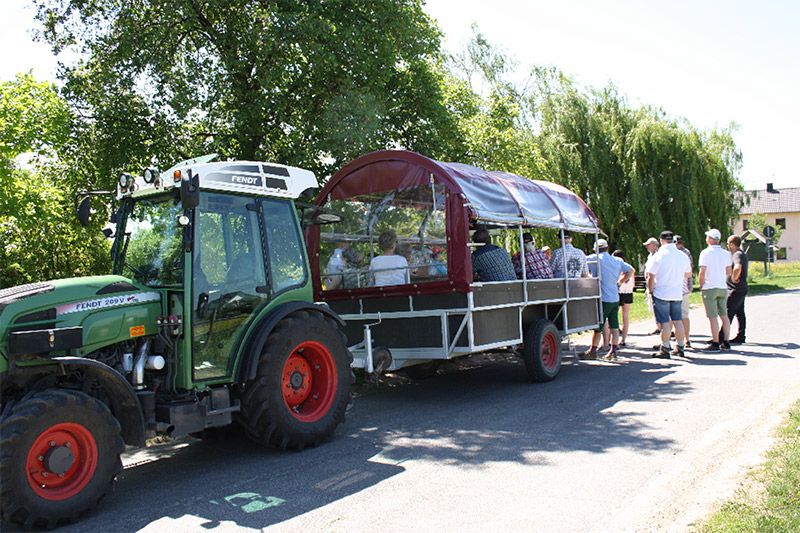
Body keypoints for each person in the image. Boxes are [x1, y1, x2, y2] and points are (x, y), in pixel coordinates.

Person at [580, 239, 634, 360]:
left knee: (598, 327)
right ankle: (613, 350)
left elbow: (581, 265)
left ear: (595, 249)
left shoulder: (593, 259)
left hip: (602, 298)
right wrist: (620, 281)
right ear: (607, 248)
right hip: (615, 297)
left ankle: (592, 351)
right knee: (614, 325)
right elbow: (631, 270)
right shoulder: (617, 260)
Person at [647, 231, 692, 358]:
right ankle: (680, 347)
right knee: (678, 321)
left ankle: (665, 347)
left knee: (665, 323)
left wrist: (651, 290)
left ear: (661, 240)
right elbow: (688, 274)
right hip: (677, 292)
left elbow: (651, 275)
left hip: (661, 292)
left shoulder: (659, 255)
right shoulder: (682, 255)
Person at [698, 228, 732, 351]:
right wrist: (722, 280)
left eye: (708, 237)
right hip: (722, 287)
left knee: (712, 317)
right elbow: (729, 272)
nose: (706, 239)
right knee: (724, 315)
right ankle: (726, 341)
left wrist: (701, 285)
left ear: (711, 239)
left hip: (709, 287)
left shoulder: (705, 253)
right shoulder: (726, 253)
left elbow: (702, 272)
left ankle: (716, 342)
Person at [726, 234, 748, 344]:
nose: (727, 246)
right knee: (740, 313)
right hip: (742, 288)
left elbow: (737, 267)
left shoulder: (737, 254)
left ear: (732, 244)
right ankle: (741, 335)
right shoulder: (741, 253)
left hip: (736, 289)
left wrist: (734, 278)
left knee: (729, 312)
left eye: (728, 244)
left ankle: (721, 336)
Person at [674, 234, 694, 348]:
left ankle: (676, 340)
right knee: (684, 315)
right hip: (685, 288)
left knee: (674, 317)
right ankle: (686, 339)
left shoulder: (678, 254)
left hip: (677, 288)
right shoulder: (687, 253)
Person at [613, 250, 635, 346]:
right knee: (625, 317)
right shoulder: (630, 267)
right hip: (628, 293)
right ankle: (623, 340)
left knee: (613, 316)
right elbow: (633, 283)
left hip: (618, 292)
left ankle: (614, 340)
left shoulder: (616, 266)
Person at [642, 237, 661, 335]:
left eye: (648, 245)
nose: (647, 247)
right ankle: (658, 327)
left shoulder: (658, 255)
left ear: (654, 245)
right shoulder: (650, 256)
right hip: (650, 284)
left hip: (656, 284)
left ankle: (663, 328)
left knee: (659, 307)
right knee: (653, 307)